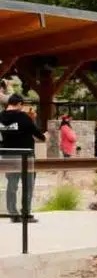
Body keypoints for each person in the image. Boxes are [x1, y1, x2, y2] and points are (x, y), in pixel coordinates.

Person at [0, 94, 47, 223]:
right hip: (25, 157)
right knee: (28, 185)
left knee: (11, 185)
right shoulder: (23, 117)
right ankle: (25, 213)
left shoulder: (0, 117)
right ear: (20, 104)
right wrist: (34, 122)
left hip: (7, 156)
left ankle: (13, 214)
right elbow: (39, 136)